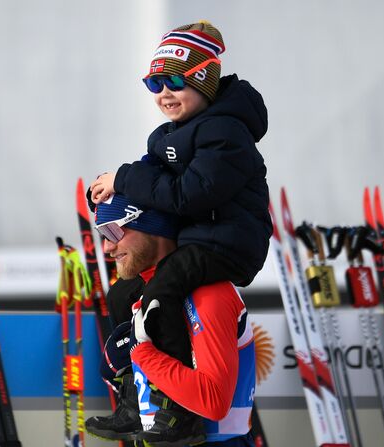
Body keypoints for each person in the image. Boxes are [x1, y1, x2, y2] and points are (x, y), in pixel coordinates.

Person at [89, 20, 272, 327]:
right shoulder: (167, 136)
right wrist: (110, 194)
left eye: (174, 81)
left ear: (204, 81)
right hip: (191, 241)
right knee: (123, 292)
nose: (163, 93)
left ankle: (171, 363)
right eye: (154, 84)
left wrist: (123, 179)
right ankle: (128, 365)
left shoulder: (226, 134)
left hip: (228, 244)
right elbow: (148, 176)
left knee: (162, 289)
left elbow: (188, 195)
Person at [85, 194, 256, 447]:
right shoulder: (142, 291)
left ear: (151, 226)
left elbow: (214, 401)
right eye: (102, 234)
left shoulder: (207, 293)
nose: (107, 247)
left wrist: (142, 354)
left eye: (113, 231)